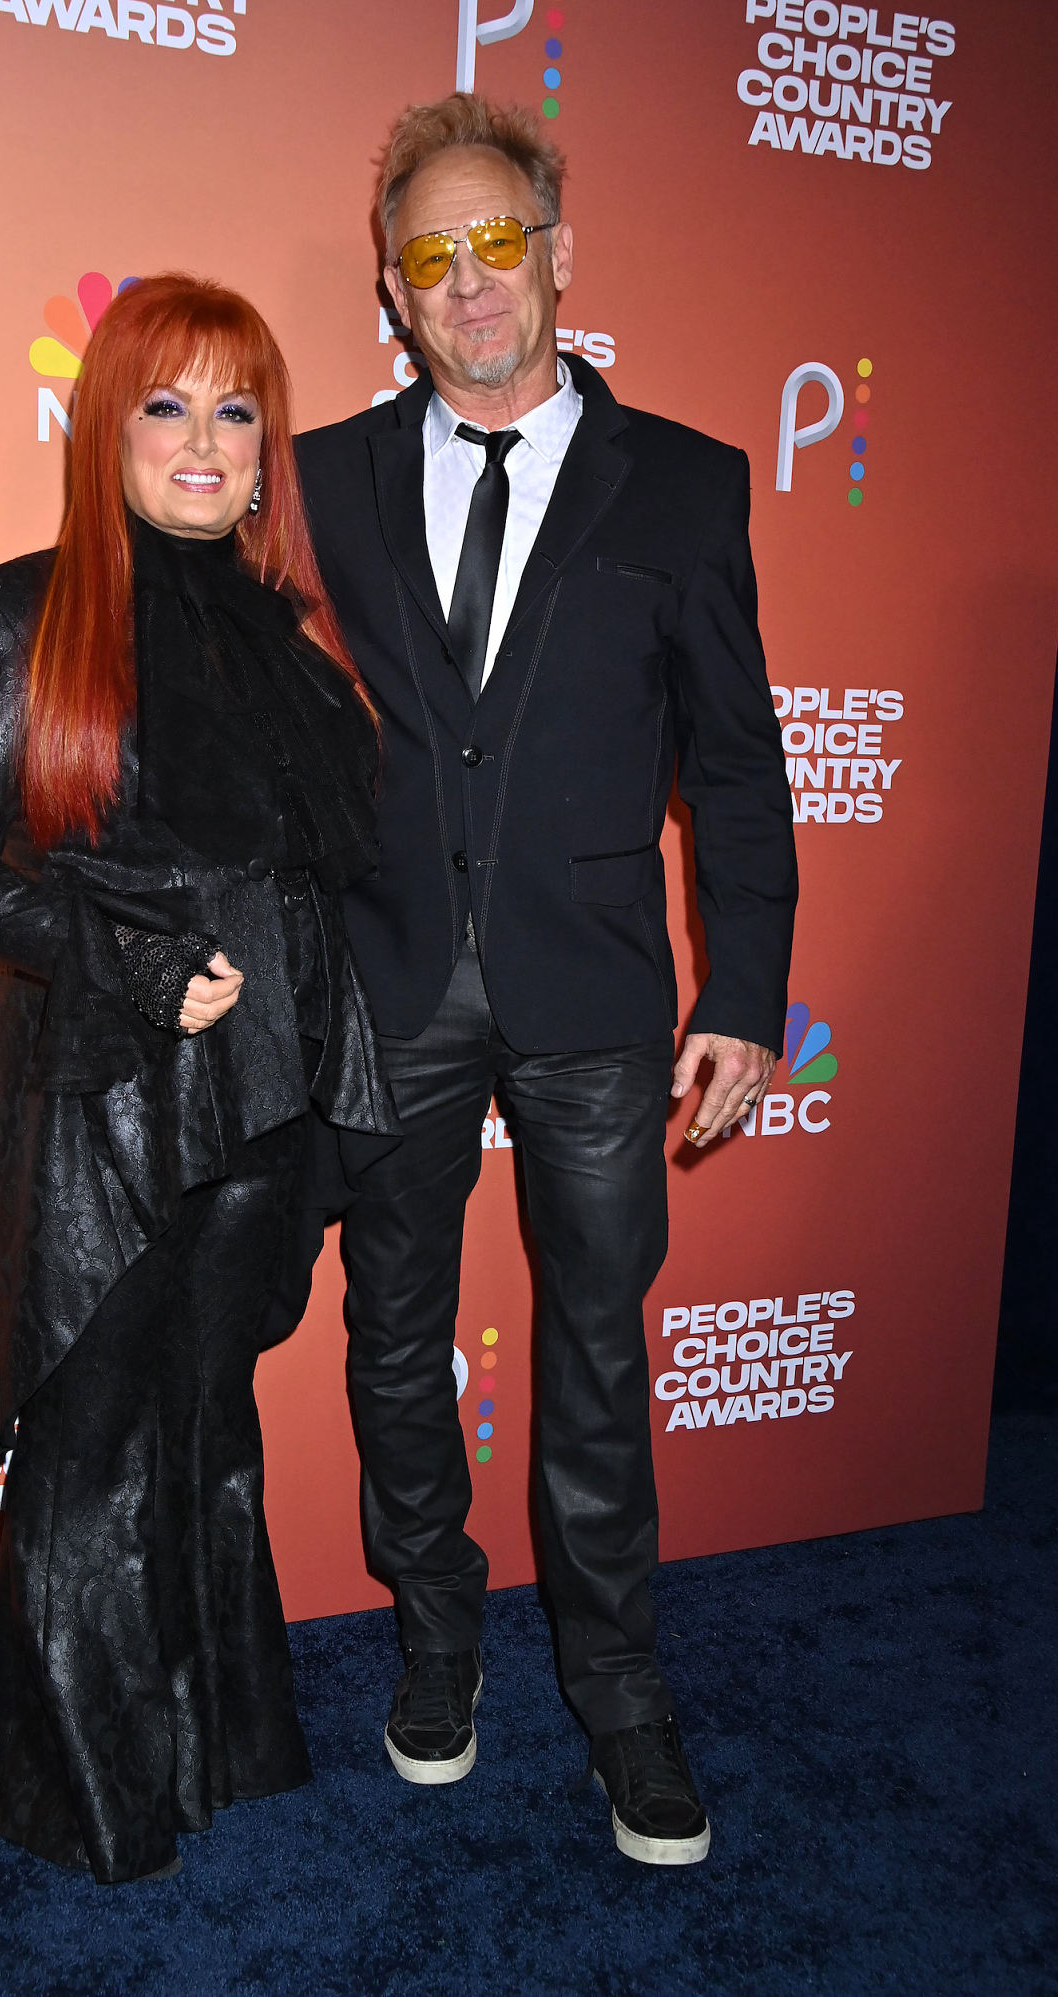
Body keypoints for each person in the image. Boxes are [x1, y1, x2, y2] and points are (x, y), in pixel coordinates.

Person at [295, 95, 798, 1866]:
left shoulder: (690, 480)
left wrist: (744, 983)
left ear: (558, 255)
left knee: (595, 1353)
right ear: (393, 288)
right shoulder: (326, 479)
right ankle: (438, 1646)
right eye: (428, 256)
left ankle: (622, 1694)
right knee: (391, 1337)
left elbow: (734, 760)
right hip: (392, 981)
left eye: (495, 240)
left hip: (596, 998)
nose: (467, 282)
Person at [0, 273, 396, 1885]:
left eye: (236, 409)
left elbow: (321, 876)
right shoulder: (21, 612)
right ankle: (79, 1794)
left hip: (264, 1104)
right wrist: (138, 964)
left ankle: (215, 1748)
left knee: (210, 1416)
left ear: (268, 452)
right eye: (165, 404)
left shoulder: (302, 653)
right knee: (95, 1438)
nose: (202, 439)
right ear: (105, 428)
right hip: (106, 1105)